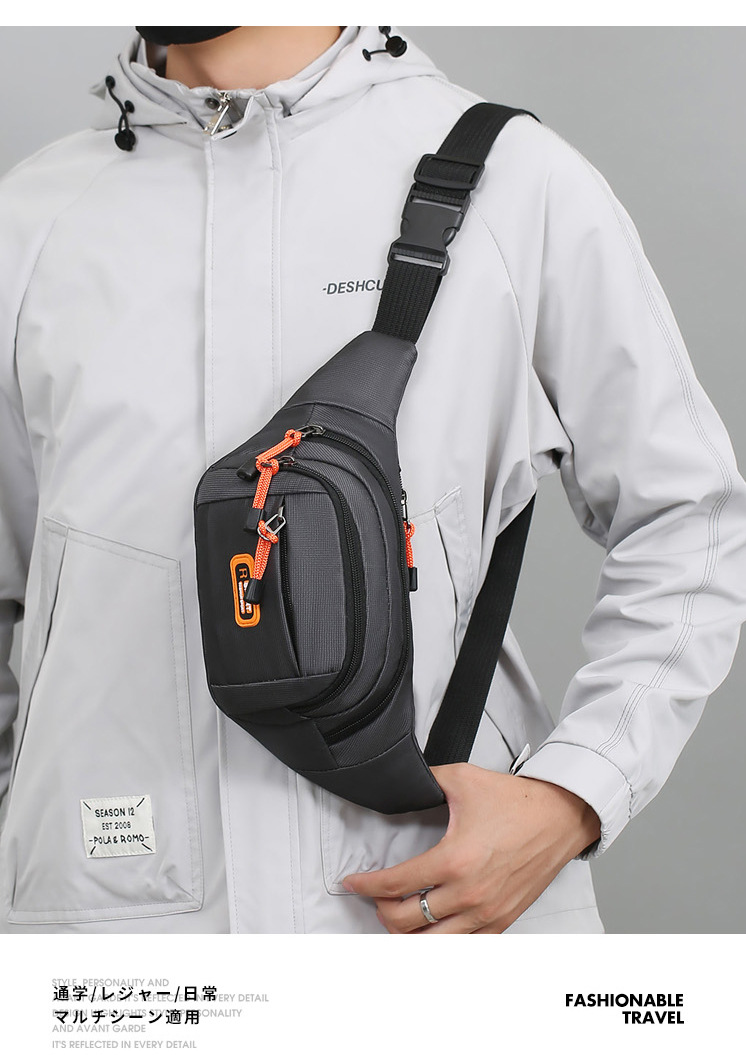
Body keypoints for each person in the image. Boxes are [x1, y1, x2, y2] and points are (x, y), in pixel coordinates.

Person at [0, 25, 744, 935]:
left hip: (435, 922)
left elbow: (692, 519)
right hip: (112, 944)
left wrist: (576, 790)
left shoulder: (516, 184)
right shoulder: (32, 222)